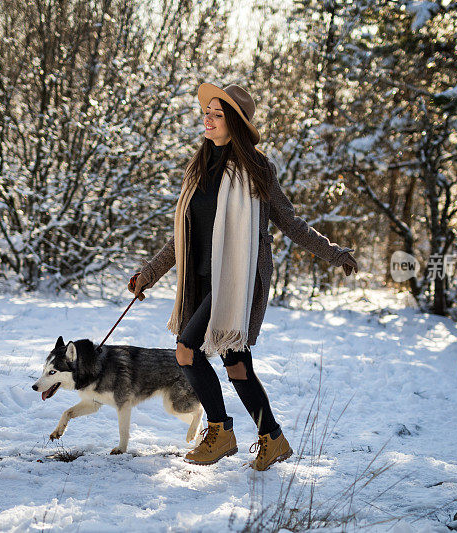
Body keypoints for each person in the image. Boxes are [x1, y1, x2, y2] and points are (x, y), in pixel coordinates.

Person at [128, 82, 357, 470]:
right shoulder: (198, 168)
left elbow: (289, 220)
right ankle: (273, 439)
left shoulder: (256, 169)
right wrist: (149, 274)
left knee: (186, 351)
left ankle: (220, 430)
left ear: (235, 122)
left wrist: (332, 252)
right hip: (201, 280)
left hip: (236, 281)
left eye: (218, 114)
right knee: (237, 365)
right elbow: (181, 235)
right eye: (208, 112)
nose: (208, 118)